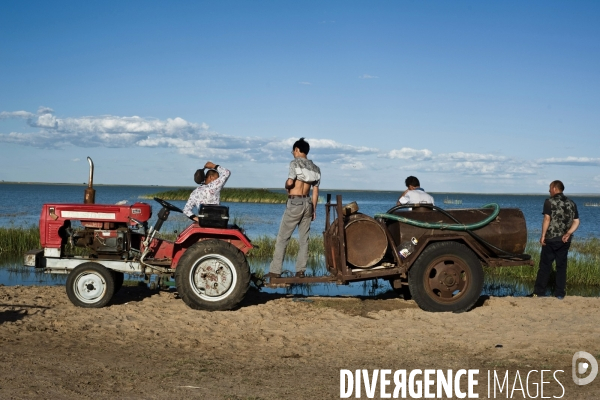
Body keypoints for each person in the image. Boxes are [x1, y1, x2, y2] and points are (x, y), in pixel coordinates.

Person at [267, 138, 321, 278]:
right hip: (308, 203)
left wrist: (286, 185)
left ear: (297, 149)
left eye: (293, 151)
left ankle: (275, 271)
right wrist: (314, 209)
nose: (292, 153)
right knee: (304, 240)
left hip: (295, 202)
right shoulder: (316, 168)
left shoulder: (294, 163)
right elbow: (315, 192)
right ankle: (300, 271)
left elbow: (290, 182)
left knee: (283, 238)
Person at [533, 180, 580, 299]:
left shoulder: (549, 202)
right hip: (565, 240)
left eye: (550, 188)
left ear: (554, 188)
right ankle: (559, 293)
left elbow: (547, 219)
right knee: (561, 266)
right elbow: (576, 221)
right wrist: (569, 233)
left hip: (551, 239)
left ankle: (539, 292)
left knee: (545, 266)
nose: (549, 190)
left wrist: (543, 235)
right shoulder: (572, 203)